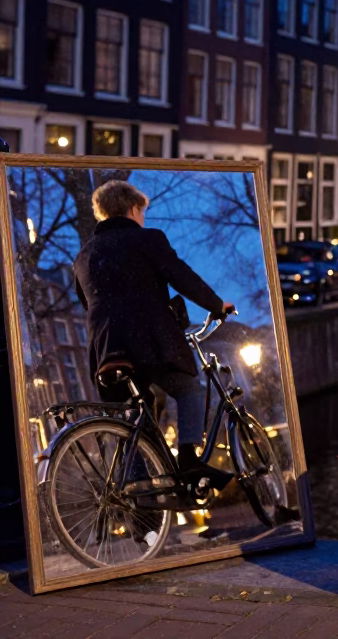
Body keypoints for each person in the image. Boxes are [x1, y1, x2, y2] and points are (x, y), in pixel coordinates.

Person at [73, 180, 235, 489]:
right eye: (142, 212)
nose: (143, 217)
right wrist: (216, 305)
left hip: (105, 351)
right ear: (134, 209)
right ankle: (189, 460)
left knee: (133, 414)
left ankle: (138, 489)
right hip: (150, 341)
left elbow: (86, 302)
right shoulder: (148, 239)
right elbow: (181, 276)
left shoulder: (84, 255)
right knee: (189, 389)